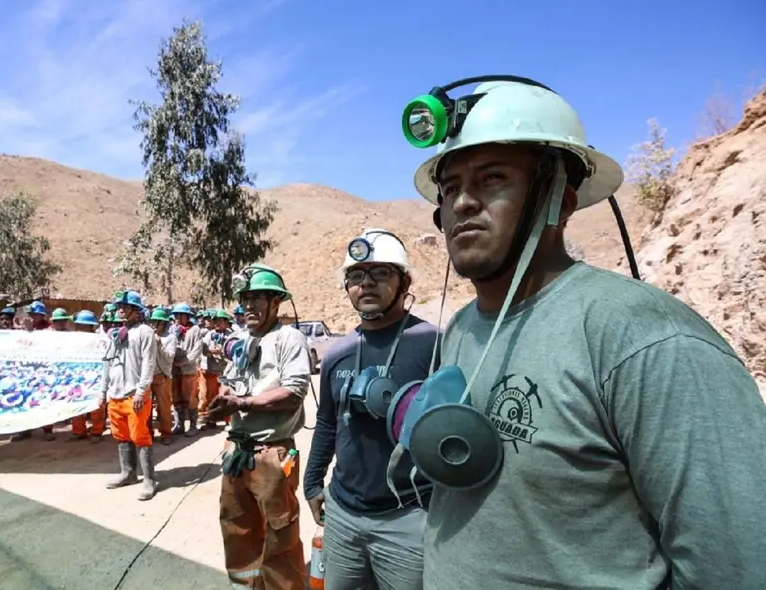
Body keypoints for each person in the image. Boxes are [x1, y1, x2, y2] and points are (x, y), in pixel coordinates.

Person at [404, 78, 766, 588]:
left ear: (561, 199)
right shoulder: (461, 328)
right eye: (450, 187)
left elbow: (733, 564)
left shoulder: (642, 337)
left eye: (492, 179)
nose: (462, 203)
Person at [303, 229, 437, 589]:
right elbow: (327, 423)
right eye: (356, 276)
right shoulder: (337, 353)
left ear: (404, 281)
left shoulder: (433, 345)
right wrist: (313, 481)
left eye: (380, 273)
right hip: (343, 516)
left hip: (408, 519)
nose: (366, 284)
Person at [206, 263, 310, 589]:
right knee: (237, 527)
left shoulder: (288, 338)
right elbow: (230, 383)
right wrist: (224, 398)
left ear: (275, 302)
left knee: (280, 536)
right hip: (236, 450)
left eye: (257, 298)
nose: (248, 305)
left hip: (272, 453)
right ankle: (247, 585)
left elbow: (294, 391)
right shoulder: (241, 340)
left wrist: (244, 403)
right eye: (245, 298)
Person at [100, 290, 159, 501]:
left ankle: (149, 480)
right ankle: (128, 473)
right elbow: (107, 363)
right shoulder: (116, 334)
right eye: (119, 307)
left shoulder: (145, 332)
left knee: (140, 436)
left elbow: (148, 363)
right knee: (121, 436)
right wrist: (103, 391)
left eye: (125, 307)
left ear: (136, 310)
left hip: (134, 393)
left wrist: (142, 391)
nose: (121, 311)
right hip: (115, 395)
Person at [11, 300, 56, 442]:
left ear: (42, 316)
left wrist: (31, 332)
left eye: (35, 314)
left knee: (44, 399)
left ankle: (47, 429)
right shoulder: (25, 328)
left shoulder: (50, 329)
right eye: (30, 314)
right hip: (27, 369)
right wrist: (22, 330)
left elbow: (46, 344)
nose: (31, 317)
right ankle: (25, 429)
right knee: (25, 398)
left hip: (44, 369)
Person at [69, 310, 106, 442]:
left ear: (91, 326)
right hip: (78, 377)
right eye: (78, 325)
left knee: (97, 405)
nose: (80, 328)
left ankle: (97, 431)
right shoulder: (73, 340)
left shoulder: (100, 341)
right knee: (76, 404)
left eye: (83, 325)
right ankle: (78, 431)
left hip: (95, 377)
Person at [170, 302, 202, 436]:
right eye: (176, 315)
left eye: (180, 315)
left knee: (190, 398)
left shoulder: (195, 330)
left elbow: (196, 350)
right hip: (174, 370)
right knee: (176, 398)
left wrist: (184, 362)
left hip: (188, 370)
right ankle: (179, 424)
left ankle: (193, 425)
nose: (177, 318)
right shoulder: (173, 330)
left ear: (186, 316)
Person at [198, 308, 232, 430]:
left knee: (226, 397)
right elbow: (204, 351)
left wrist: (222, 352)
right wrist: (210, 352)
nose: (217, 323)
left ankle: (229, 422)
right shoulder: (208, 335)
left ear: (226, 321)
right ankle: (210, 421)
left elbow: (233, 353)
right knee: (210, 397)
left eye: (220, 320)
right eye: (215, 320)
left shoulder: (231, 335)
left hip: (226, 372)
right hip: (211, 371)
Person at [149, 307, 178, 445]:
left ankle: (166, 432)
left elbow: (169, 357)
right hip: (147, 376)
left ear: (163, 323)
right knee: (146, 408)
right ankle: (148, 433)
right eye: (153, 321)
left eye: (157, 322)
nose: (154, 324)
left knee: (164, 407)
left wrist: (159, 343)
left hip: (162, 376)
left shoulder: (170, 338)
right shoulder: (147, 335)